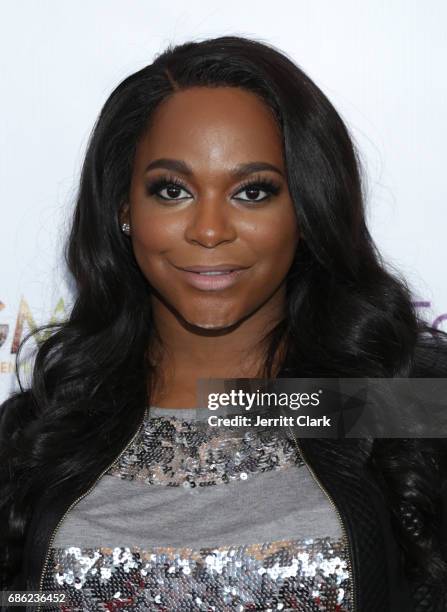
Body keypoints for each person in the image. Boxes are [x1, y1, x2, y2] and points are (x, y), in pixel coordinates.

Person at [0, 35, 446, 612]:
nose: (209, 230)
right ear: (124, 210)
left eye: (252, 192)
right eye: (173, 190)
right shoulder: (49, 430)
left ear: (306, 212)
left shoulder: (383, 406)